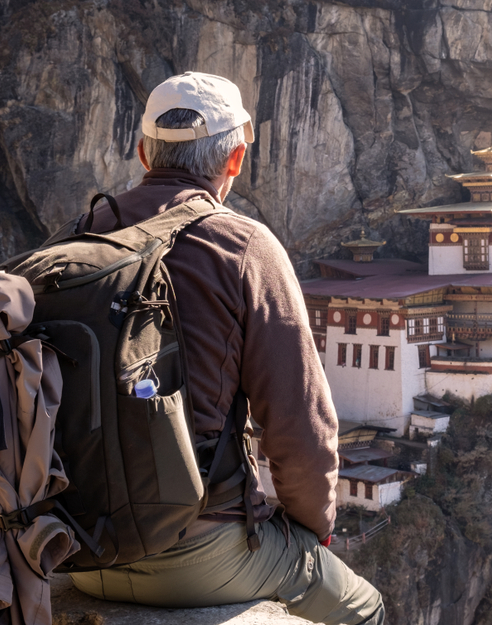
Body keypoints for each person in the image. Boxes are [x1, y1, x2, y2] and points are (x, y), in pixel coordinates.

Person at [67, 71, 385, 625]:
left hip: (77, 547)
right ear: (235, 159)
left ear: (143, 153)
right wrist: (311, 531)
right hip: (200, 553)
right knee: (366, 608)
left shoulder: (79, 236)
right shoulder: (244, 248)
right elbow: (301, 427)